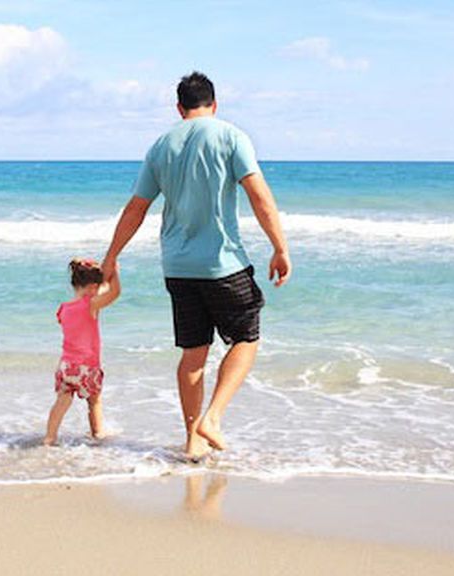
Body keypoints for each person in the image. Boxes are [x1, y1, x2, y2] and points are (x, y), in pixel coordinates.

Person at [101, 71, 291, 460]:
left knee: (193, 354)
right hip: (222, 264)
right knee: (246, 338)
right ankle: (213, 418)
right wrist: (280, 247)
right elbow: (259, 196)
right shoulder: (230, 136)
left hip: (177, 267)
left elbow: (137, 207)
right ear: (214, 105)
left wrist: (112, 255)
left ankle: (192, 441)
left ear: (179, 107)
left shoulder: (160, 146)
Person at [43, 258, 121, 446]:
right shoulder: (91, 305)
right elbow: (115, 293)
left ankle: (49, 437)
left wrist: (101, 279)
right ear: (94, 287)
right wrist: (115, 272)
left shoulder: (63, 309)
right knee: (94, 402)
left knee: (62, 402)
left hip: (66, 366)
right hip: (87, 367)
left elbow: (94, 295)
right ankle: (98, 433)